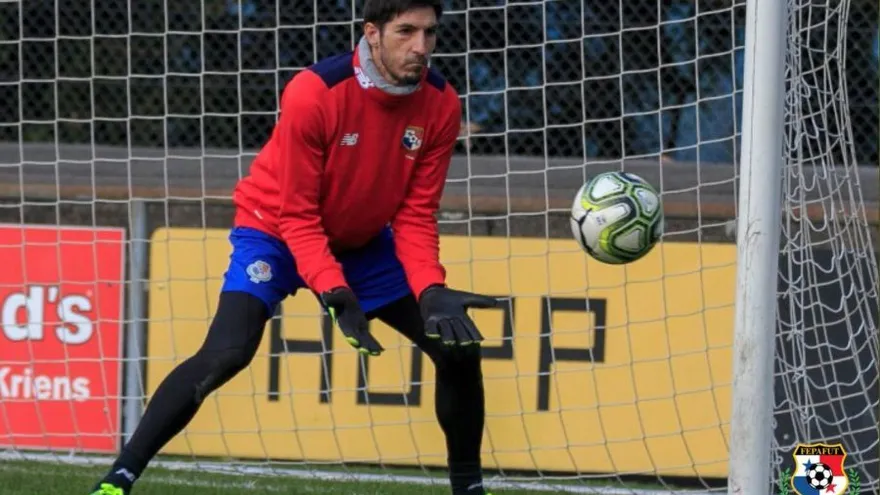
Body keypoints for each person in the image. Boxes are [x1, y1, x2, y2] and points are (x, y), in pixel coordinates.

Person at [89, 1, 498, 494]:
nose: (420, 46)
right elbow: (298, 215)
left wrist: (430, 288)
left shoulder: (441, 103)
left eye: (429, 33)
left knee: (457, 350)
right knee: (227, 353)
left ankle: (469, 490)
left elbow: (414, 215)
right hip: (275, 234)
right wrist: (333, 290)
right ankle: (118, 480)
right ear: (372, 33)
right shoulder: (315, 91)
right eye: (405, 31)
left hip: (362, 244)